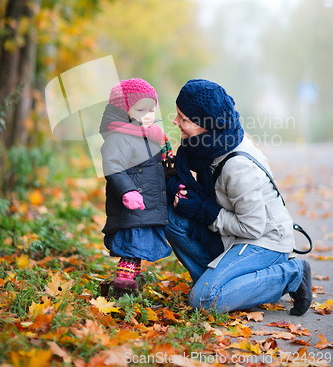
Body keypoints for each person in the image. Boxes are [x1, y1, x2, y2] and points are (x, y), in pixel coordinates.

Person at [164, 79, 312, 316]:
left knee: (204, 301)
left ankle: (291, 273)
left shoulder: (237, 166)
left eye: (184, 118)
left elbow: (253, 227)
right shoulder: (205, 147)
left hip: (265, 242)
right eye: (177, 114)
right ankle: (216, 282)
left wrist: (203, 209)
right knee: (169, 214)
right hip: (231, 237)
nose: (175, 122)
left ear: (206, 125)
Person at [99, 78, 172, 294]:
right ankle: (123, 287)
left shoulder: (149, 136)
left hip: (146, 205)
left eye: (151, 109)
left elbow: (153, 166)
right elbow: (112, 166)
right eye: (141, 109)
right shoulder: (119, 137)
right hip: (131, 206)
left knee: (138, 249)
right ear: (123, 111)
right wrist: (127, 190)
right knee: (132, 246)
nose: (148, 115)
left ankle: (132, 284)